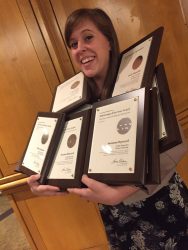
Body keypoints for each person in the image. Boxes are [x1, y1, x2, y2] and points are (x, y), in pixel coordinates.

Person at [27, 8, 188, 249]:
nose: (79, 48)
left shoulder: (140, 79)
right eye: (73, 43)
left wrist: (121, 192)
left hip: (160, 206)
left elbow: (177, 145)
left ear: (109, 41)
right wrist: (45, 181)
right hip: (117, 219)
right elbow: (74, 163)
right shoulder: (73, 105)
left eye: (88, 37)